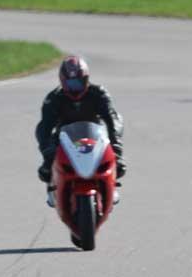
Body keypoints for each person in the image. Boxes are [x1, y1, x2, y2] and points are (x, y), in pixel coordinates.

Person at [35, 56, 125, 206]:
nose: (74, 88)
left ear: (86, 79)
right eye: (70, 83)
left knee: (118, 161)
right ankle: (54, 187)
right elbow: (44, 127)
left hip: (94, 135)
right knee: (45, 170)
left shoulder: (99, 93)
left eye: (78, 82)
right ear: (62, 81)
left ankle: (111, 184)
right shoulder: (54, 98)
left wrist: (116, 147)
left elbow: (112, 119)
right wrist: (47, 151)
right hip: (64, 137)